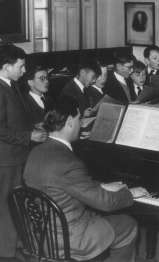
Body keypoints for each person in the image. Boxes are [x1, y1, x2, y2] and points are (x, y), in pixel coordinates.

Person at [24, 96, 148, 262]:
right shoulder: (67, 161)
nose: (81, 123)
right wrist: (130, 194)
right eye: (79, 119)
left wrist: (102, 186)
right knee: (127, 224)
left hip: (39, 234)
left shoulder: (36, 152)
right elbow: (106, 203)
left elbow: (65, 184)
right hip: (69, 238)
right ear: (69, 122)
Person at [0, 44, 47, 259]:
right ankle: (2, 254)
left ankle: (18, 244)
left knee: (18, 204)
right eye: (21, 67)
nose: (24, 71)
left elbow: (16, 121)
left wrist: (33, 129)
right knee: (4, 208)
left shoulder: (12, 86)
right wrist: (28, 136)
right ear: (6, 66)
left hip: (17, 156)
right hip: (5, 160)